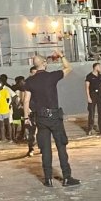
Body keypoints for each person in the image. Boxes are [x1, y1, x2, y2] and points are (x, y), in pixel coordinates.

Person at [22, 51, 80, 187]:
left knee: (45, 149)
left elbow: (26, 101)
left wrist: (26, 118)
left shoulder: (30, 81)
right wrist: (62, 56)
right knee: (61, 146)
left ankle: (47, 179)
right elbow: (68, 68)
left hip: (41, 118)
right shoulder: (52, 76)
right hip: (54, 116)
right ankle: (66, 177)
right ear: (44, 64)